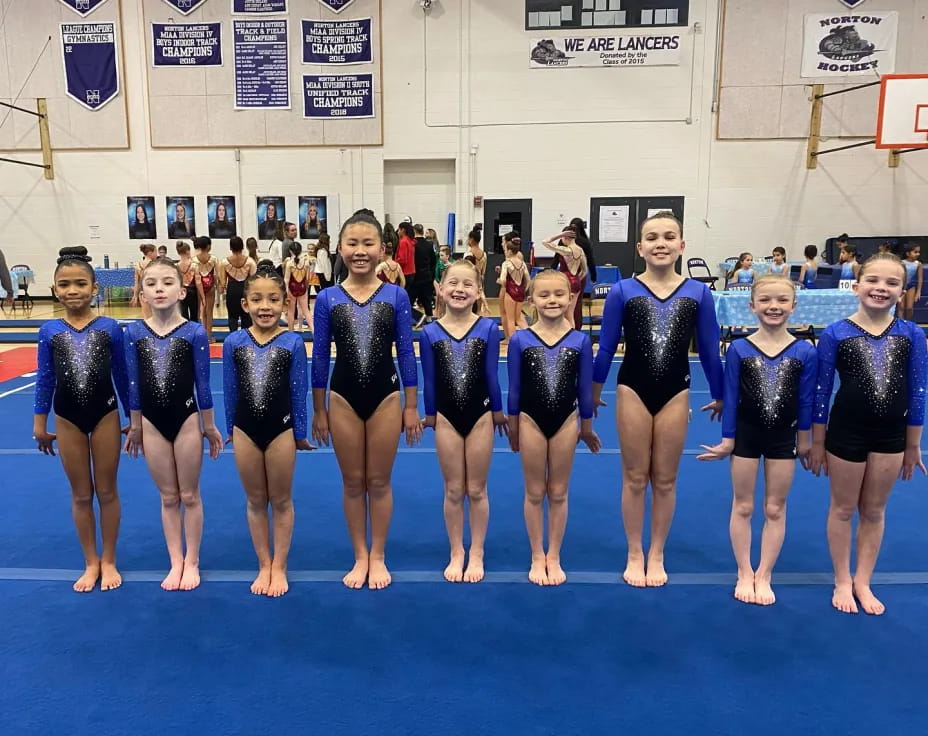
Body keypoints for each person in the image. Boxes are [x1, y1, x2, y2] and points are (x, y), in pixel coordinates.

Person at [592, 211, 724, 587]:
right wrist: (594, 393)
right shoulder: (623, 291)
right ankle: (635, 551)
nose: (660, 243)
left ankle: (657, 551)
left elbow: (711, 351)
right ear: (640, 248)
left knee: (665, 479)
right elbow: (606, 347)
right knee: (635, 477)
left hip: (675, 391)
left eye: (669, 237)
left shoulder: (698, 293)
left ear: (682, 245)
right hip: (632, 388)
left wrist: (721, 395)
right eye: (652, 237)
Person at [809, 253, 927, 615]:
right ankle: (843, 578)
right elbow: (820, 392)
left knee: (874, 510)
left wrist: (913, 445)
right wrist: (817, 442)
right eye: (873, 280)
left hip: (891, 435)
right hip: (847, 431)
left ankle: (863, 579)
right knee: (843, 508)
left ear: (903, 291)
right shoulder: (835, 333)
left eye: (892, 283)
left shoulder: (912, 335)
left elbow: (918, 389)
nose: (881, 288)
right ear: (857, 286)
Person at [311, 211, 421, 590]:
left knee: (379, 480)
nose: (360, 251)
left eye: (368, 243)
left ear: (382, 250)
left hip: (387, 397)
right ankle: (360, 554)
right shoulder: (327, 298)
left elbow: (406, 353)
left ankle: (378, 554)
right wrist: (319, 408)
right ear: (340, 248)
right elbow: (321, 356)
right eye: (352, 244)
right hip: (341, 397)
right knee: (353, 481)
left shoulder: (396, 295)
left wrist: (410, 406)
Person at [698, 276, 817, 605]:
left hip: (783, 438)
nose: (773, 306)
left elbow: (807, 400)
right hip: (747, 438)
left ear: (794, 306)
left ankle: (764, 573)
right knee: (744, 505)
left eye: (781, 300)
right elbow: (731, 397)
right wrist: (727, 440)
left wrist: (805, 441)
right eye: (765, 300)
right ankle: (744, 570)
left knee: (775, 508)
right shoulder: (739, 348)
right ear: (752, 307)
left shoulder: (805, 351)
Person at [33, 247, 130, 592]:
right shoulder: (49, 331)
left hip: (105, 414)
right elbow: (45, 378)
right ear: (55, 289)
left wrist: (133, 415)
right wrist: (38, 423)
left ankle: (109, 559)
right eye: (65, 284)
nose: (72, 290)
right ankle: (90, 561)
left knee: (106, 490)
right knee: (80, 495)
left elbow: (122, 374)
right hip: (67, 418)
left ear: (94, 288)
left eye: (80, 283)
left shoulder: (110, 328)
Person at [123, 257, 222, 591]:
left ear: (182, 290)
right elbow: (133, 384)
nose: (159, 289)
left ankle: (192, 560)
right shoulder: (134, 332)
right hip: (150, 422)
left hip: (187, 419)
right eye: (151, 283)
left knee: (189, 494)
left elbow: (203, 384)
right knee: (168, 496)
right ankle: (175, 561)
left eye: (167, 282)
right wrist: (135, 425)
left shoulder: (194, 332)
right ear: (141, 293)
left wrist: (208, 426)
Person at [223, 265, 312, 597]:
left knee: (281, 499)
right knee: (256, 499)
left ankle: (280, 565)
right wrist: (230, 427)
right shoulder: (234, 342)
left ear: (285, 302)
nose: (265, 306)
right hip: (245, 429)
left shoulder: (292, 341)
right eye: (257, 299)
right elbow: (230, 388)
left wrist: (299, 432)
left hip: (281, 430)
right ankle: (264, 562)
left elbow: (298, 391)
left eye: (273, 299)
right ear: (245, 303)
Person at [508, 269, 600, 586]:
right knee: (535, 491)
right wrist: (514, 426)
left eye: (559, 294)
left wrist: (586, 427)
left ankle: (554, 554)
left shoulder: (580, 341)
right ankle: (537, 554)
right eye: (543, 295)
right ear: (531, 299)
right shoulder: (520, 339)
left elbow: (585, 390)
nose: (552, 300)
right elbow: (515, 389)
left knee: (558, 492)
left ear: (571, 298)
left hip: (566, 420)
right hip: (530, 420)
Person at [420, 259, 507, 583]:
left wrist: (498, 411)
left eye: (467, 284)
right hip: (445, 417)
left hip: (481, 415)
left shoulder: (487, 328)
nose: (459, 289)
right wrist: (430, 416)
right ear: (441, 290)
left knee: (477, 488)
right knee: (454, 489)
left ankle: (478, 551)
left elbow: (491, 375)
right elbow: (429, 379)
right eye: (453, 283)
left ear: (478, 292)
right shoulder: (429, 332)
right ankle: (457, 550)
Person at [543, 226, 588, 329]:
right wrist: (576, 279)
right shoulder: (580, 250)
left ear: (565, 237)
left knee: (564, 314)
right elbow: (584, 271)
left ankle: (565, 336)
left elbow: (545, 242)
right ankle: (572, 337)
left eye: (563, 237)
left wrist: (560, 234)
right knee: (570, 313)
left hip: (565, 282)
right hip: (576, 282)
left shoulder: (566, 250)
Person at [496, 233, 529, 342]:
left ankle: (512, 342)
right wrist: (525, 290)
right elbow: (528, 279)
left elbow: (503, 279)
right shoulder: (522, 263)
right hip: (520, 290)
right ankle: (530, 337)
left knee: (511, 318)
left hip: (509, 290)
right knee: (518, 317)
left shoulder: (507, 262)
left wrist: (501, 282)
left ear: (509, 250)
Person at [220, 236, 257, 332]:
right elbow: (254, 280)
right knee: (246, 316)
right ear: (242, 247)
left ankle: (233, 338)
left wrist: (221, 291)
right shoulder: (250, 261)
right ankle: (246, 338)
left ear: (231, 248)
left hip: (232, 290)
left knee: (232, 317)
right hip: (245, 289)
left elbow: (223, 283)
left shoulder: (224, 262)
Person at [570, 217, 597, 329]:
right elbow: (591, 260)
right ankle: (577, 326)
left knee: (566, 302)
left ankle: (565, 326)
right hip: (580, 274)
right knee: (578, 302)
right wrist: (594, 275)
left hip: (566, 275)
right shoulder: (585, 242)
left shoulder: (564, 240)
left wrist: (551, 270)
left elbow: (556, 258)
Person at [411, 224, 438, 328]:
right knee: (427, 298)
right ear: (422, 232)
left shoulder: (413, 245)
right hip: (426, 275)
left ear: (414, 231)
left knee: (410, 299)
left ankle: (414, 317)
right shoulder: (429, 244)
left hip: (415, 276)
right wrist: (430, 274)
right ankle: (429, 318)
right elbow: (433, 261)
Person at [195, 237, 219, 341]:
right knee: (209, 312)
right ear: (208, 246)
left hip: (199, 286)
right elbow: (217, 275)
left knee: (202, 311)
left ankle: (202, 335)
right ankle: (209, 336)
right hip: (210, 286)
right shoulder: (213, 259)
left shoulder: (194, 259)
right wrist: (219, 287)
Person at [283, 241, 311, 332]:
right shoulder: (306, 262)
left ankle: (290, 331)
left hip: (292, 287)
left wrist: (286, 292)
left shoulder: (289, 263)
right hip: (302, 287)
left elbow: (286, 279)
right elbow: (307, 279)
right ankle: (310, 329)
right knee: (305, 310)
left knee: (291, 311)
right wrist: (306, 288)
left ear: (291, 251)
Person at [464, 228, 490, 315]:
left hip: (469, 280)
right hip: (479, 280)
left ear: (471, 239)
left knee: (468, 307)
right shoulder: (484, 254)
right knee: (479, 308)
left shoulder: (468, 254)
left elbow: (465, 270)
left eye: (468, 238)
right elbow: (483, 272)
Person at [176, 241, 202, 323]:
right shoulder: (194, 265)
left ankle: (185, 333)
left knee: (183, 315)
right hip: (192, 291)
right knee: (194, 315)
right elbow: (198, 282)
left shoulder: (176, 266)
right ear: (187, 251)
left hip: (181, 291)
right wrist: (202, 296)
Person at [131, 244, 156, 319]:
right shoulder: (154, 265)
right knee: (155, 315)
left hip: (143, 292)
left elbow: (136, 283)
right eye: (156, 252)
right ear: (150, 253)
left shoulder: (138, 265)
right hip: (153, 291)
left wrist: (135, 295)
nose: (156, 254)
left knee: (146, 315)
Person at [900, 243, 923, 321]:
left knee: (909, 308)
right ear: (907, 253)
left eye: (918, 252)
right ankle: (901, 323)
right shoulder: (902, 263)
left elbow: (920, 278)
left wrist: (918, 291)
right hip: (901, 286)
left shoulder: (918, 264)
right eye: (915, 252)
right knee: (901, 307)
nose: (918, 254)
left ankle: (908, 323)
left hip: (911, 286)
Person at [395, 222, 417, 295]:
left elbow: (402, 260)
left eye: (399, 230)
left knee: (401, 294)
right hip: (411, 272)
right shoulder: (411, 241)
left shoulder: (403, 242)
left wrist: (393, 263)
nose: (398, 232)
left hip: (404, 272)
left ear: (403, 230)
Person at [433, 245, 452, 315]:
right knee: (439, 295)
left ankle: (444, 311)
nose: (440, 257)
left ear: (447, 256)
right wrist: (439, 282)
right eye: (440, 255)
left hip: (445, 282)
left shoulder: (451, 265)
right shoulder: (439, 263)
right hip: (437, 281)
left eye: (442, 255)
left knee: (444, 297)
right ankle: (437, 309)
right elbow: (437, 275)